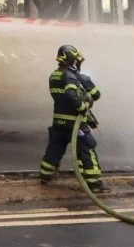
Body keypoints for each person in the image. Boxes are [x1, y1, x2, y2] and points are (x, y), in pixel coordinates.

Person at [39, 44, 109, 193]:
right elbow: (72, 94)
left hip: (58, 122)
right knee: (87, 149)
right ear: (72, 61)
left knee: (54, 149)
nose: (79, 64)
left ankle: (45, 176)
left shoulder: (55, 75)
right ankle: (95, 183)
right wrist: (84, 108)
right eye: (77, 61)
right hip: (74, 124)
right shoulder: (71, 77)